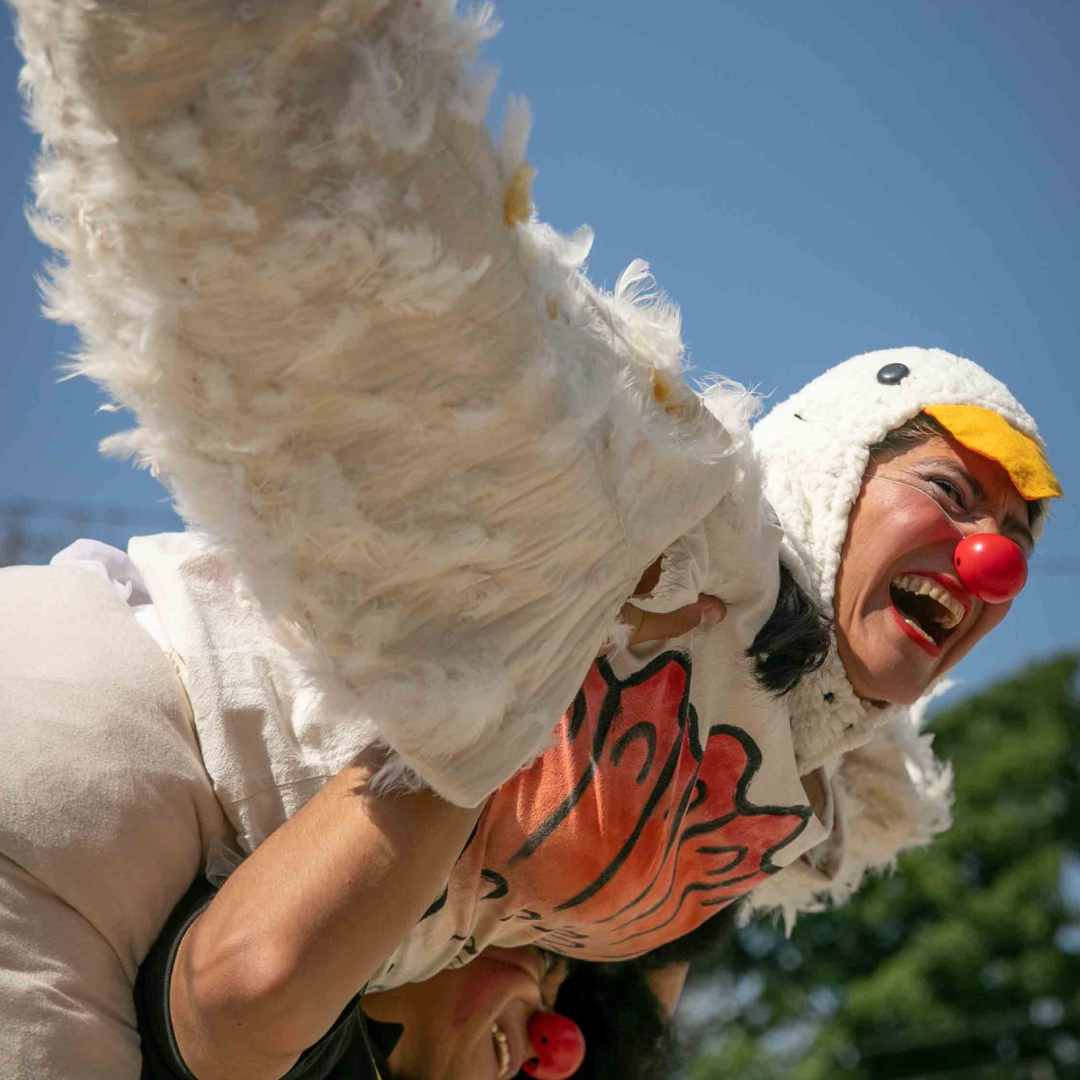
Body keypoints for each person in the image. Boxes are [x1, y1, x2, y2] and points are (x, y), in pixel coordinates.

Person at [1, 0, 1062, 1077]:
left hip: (217, 918)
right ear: (835, 469)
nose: (994, 558)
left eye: (1019, 530)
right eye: (948, 489)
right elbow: (376, 231)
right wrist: (576, 592)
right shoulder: (668, 511)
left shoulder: (798, 802)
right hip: (115, 750)